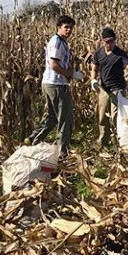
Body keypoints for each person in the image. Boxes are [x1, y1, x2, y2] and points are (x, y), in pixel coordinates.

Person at [32, 15, 77, 153]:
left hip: (52, 83)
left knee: (51, 118)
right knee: (65, 119)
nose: (69, 30)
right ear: (59, 28)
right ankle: (62, 151)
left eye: (71, 27)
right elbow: (54, 65)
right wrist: (71, 74)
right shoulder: (57, 42)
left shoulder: (61, 42)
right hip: (56, 84)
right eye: (66, 27)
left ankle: (33, 140)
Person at [91, 27, 128, 146]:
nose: (109, 43)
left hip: (118, 89)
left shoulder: (120, 54)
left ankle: (118, 141)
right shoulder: (98, 53)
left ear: (114, 40)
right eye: (106, 41)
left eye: (111, 41)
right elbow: (94, 68)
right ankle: (103, 141)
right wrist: (93, 79)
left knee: (116, 117)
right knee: (102, 116)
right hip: (104, 89)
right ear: (102, 41)